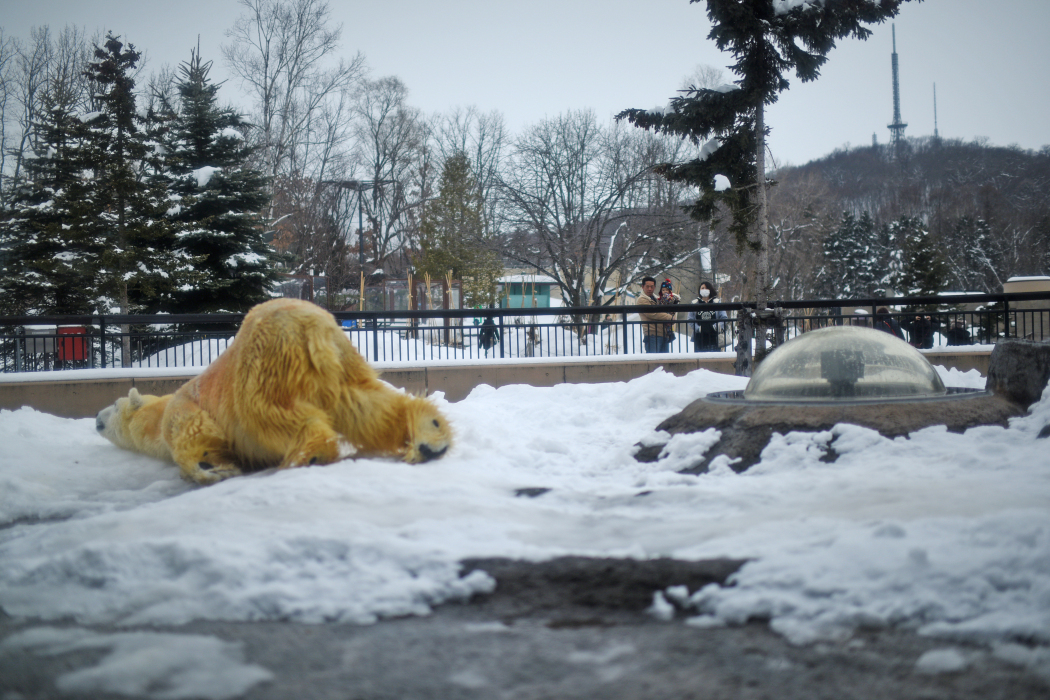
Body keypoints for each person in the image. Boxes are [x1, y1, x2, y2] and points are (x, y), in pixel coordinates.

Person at [637, 276, 677, 353]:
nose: (650, 289)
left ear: (654, 287)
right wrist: (670, 317)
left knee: (664, 361)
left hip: (663, 333)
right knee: (654, 362)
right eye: (647, 286)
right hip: (652, 334)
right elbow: (653, 313)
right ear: (642, 287)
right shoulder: (642, 299)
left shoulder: (657, 298)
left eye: (652, 287)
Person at [687, 281, 728, 351]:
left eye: (706, 288)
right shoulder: (695, 303)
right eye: (702, 288)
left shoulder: (717, 302)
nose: (704, 290)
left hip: (714, 336)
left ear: (710, 289)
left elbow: (724, 318)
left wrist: (715, 327)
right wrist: (698, 328)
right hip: (699, 337)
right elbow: (690, 319)